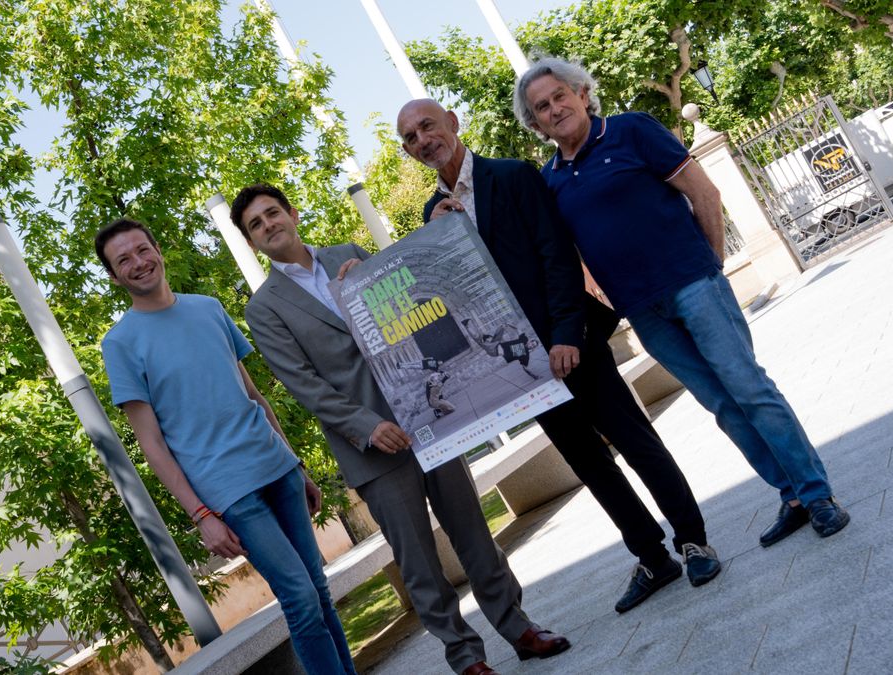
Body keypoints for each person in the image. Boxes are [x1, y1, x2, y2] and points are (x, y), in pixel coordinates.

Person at [512, 56, 850, 549]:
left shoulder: (632, 131)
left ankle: (817, 495)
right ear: (536, 123)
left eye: (560, 95)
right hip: (644, 313)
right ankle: (791, 496)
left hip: (694, 284)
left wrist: (710, 263)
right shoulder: (551, 181)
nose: (554, 108)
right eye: (541, 107)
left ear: (582, 93)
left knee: (749, 389)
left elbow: (704, 192)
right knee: (723, 406)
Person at [397, 98, 720, 614]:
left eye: (427, 127)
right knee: (590, 466)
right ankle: (652, 558)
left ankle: (693, 541)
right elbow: (449, 299)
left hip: (573, 344)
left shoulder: (513, 176)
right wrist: (433, 234)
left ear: (453, 124)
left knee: (638, 443)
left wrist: (567, 334)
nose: (422, 141)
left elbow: (557, 255)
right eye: (409, 138)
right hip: (520, 368)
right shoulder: (430, 214)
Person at [234, 183, 570, 675]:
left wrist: (367, 286)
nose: (268, 226)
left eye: (272, 213)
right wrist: (367, 427)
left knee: (473, 532)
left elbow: (407, 315)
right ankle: (466, 657)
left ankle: (519, 628)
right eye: (256, 225)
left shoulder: (348, 255)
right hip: (370, 448)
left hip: (430, 417)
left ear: (293, 212)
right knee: (417, 562)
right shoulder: (262, 309)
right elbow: (303, 384)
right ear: (251, 242)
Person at [95, 219, 356, 675]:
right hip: (229, 491)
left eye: (142, 249)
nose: (138, 263)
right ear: (115, 277)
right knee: (298, 597)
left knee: (317, 590)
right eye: (124, 260)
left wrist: (296, 463)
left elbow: (253, 394)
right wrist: (200, 515)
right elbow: (151, 443)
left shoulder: (210, 308)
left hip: (277, 466)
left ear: (158, 248)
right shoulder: (120, 343)